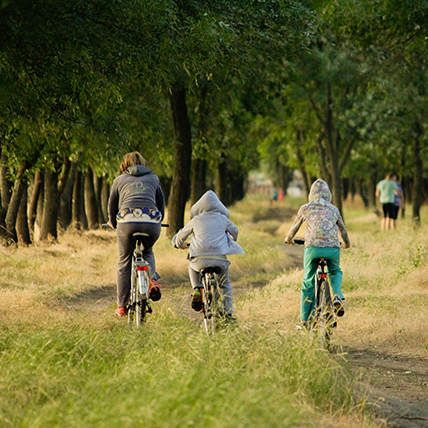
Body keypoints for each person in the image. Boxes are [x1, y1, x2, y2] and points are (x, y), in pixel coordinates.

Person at [285, 179, 351, 328]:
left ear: (311, 194)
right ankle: (336, 295)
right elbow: (343, 230)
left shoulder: (305, 208)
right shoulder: (334, 209)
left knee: (308, 281)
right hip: (333, 249)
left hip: (312, 249)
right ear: (328, 195)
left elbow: (294, 228)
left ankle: (304, 320)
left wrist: (289, 239)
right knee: (334, 271)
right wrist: (346, 244)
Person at [108, 151, 165, 317]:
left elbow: (112, 206)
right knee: (147, 251)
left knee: (124, 260)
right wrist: (158, 221)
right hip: (151, 221)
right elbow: (160, 204)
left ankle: (122, 305)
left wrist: (113, 222)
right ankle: (152, 280)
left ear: (125, 164)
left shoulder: (119, 180)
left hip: (127, 221)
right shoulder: (154, 178)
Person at [172, 190, 245, 318]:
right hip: (219, 259)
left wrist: (179, 244)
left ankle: (196, 289)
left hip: (199, 259)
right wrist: (231, 239)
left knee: (192, 268)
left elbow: (180, 237)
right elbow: (235, 232)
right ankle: (228, 312)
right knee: (225, 284)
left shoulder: (196, 220)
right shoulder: (222, 219)